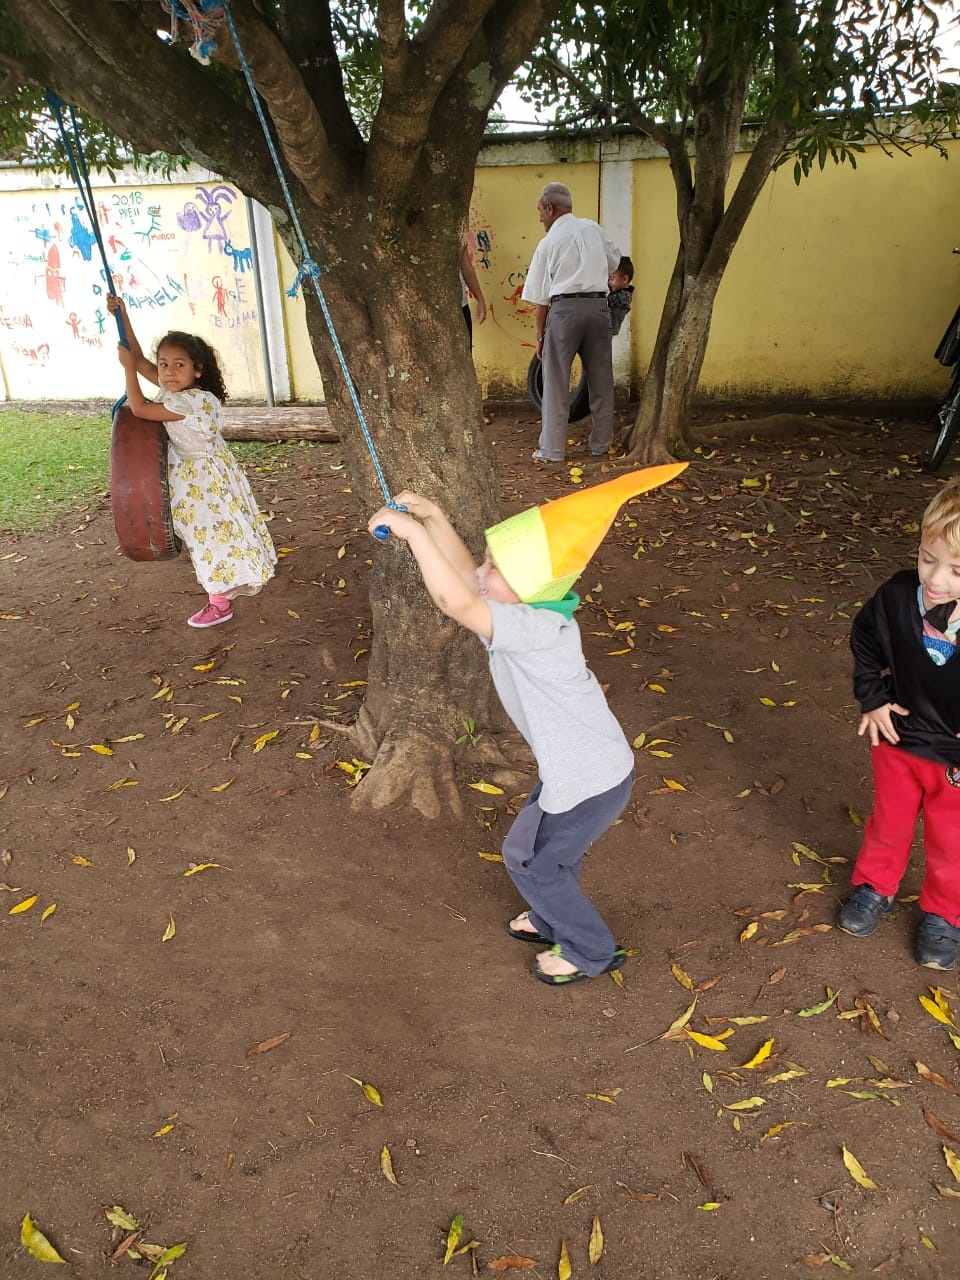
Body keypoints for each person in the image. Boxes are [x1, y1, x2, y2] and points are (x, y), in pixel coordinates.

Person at [368, 464, 687, 984]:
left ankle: (590, 951)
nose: (483, 571)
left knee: (530, 861)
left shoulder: (534, 629)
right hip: (580, 768)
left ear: (527, 590)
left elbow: (455, 599)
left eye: (497, 569)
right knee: (546, 854)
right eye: (493, 562)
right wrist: (434, 518)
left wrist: (412, 533)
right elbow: (469, 575)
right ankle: (548, 916)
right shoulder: (527, 607)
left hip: (588, 780)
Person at [837, 479, 960, 969]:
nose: (937, 578)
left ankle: (944, 913)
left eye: (956, 570)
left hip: (954, 758)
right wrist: (873, 699)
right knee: (888, 821)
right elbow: (864, 639)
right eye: (928, 558)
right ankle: (875, 886)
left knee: (952, 838)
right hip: (899, 737)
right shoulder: (895, 597)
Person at [107, 294, 277, 628]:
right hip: (203, 476)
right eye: (164, 364)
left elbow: (139, 407)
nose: (168, 372)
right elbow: (141, 359)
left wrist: (127, 369)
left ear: (197, 370)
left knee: (208, 537)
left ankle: (219, 602)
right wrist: (123, 316)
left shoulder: (189, 404)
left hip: (203, 484)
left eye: (179, 365)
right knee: (210, 535)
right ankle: (221, 593)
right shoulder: (187, 392)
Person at [521, 183, 621, 464]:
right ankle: (601, 444)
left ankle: (552, 450)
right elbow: (615, 262)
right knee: (601, 379)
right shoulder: (593, 229)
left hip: (564, 311)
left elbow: (541, 299)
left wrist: (540, 336)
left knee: (555, 381)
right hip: (599, 308)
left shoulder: (548, 243)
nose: (540, 217)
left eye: (540, 211)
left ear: (549, 208)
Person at [459, 243, 488, 348]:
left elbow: (467, 268)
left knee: (464, 351)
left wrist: (480, 299)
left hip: (459, 306)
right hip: (427, 310)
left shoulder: (455, 232)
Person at [607, 256, 635, 337]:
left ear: (625, 279)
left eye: (611, 279)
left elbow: (608, 301)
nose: (609, 282)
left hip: (608, 330)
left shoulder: (624, 296)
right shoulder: (620, 293)